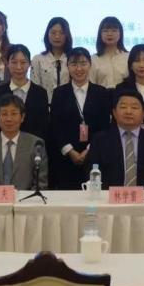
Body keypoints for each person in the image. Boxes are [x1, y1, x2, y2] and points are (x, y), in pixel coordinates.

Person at [48, 47, 112, 190]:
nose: (79, 69)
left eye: (83, 63)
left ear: (90, 65)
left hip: (95, 156)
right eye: (74, 64)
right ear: (67, 66)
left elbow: (104, 126)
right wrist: (70, 151)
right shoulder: (59, 93)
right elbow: (55, 125)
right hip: (66, 157)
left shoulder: (101, 93)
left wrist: (88, 150)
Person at [88, 91, 144, 190]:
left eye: (134, 107)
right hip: (109, 197)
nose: (128, 111)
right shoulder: (100, 140)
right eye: (123, 107)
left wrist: (143, 194)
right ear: (114, 113)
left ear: (143, 114)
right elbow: (91, 173)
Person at [0, 94, 49, 189]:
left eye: (14, 114)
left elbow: (40, 184)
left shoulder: (36, 144)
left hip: (25, 198)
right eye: (4, 114)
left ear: (22, 117)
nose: (9, 119)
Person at [0, 44, 49, 142]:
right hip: (3, 145)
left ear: (30, 64)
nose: (19, 67)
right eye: (14, 62)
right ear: (7, 63)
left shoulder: (40, 93)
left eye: (23, 62)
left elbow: (43, 125)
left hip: (32, 145)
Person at [30, 16, 72, 103]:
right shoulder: (38, 59)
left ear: (67, 35)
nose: (57, 36)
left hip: (69, 105)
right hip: (45, 105)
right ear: (47, 34)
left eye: (61, 33)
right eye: (53, 32)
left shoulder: (72, 59)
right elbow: (35, 87)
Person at [89, 16, 130, 88]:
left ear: (120, 33)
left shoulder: (128, 57)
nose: (109, 34)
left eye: (114, 30)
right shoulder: (93, 59)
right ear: (100, 34)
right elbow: (91, 84)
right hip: (101, 94)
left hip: (124, 94)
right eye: (105, 31)